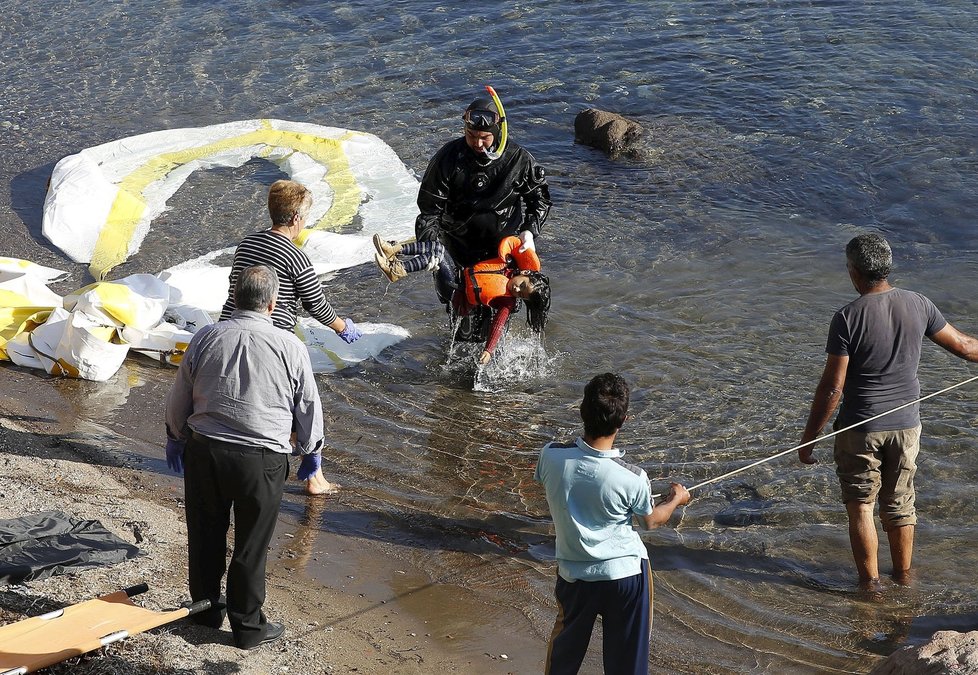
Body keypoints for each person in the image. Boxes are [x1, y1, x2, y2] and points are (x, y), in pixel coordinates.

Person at [798, 234, 978, 588]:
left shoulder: (847, 317)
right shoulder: (919, 304)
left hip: (860, 429)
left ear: (854, 271)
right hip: (907, 426)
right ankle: (904, 579)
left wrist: (809, 439)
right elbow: (967, 347)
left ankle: (870, 588)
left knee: (861, 504)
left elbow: (833, 388)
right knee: (900, 503)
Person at [164, 265, 326, 649]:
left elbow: (179, 397)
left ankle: (205, 611)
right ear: (272, 304)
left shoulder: (206, 337)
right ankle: (248, 626)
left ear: (234, 298)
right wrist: (311, 451)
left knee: (205, 533)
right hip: (262, 460)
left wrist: (175, 436)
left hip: (207, 452)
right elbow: (308, 406)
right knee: (251, 543)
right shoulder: (291, 346)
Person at [535, 373, 691, 674]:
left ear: (582, 411)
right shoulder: (633, 477)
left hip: (573, 576)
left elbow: (567, 478)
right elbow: (650, 522)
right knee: (627, 665)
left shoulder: (550, 456)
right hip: (626, 577)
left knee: (562, 660)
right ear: (624, 420)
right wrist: (675, 499)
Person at [414, 92, 552, 308]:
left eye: (484, 137)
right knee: (458, 306)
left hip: (502, 253)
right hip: (458, 248)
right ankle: (455, 340)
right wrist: (432, 248)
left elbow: (539, 200)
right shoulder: (449, 158)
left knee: (497, 304)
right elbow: (429, 211)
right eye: (471, 135)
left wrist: (529, 232)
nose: (477, 143)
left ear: (497, 133)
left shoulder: (518, 160)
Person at [220, 179, 362, 342]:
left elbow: (233, 284)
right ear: (296, 218)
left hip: (229, 327)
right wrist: (343, 328)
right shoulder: (296, 258)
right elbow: (315, 305)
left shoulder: (246, 243)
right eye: (306, 216)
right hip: (272, 337)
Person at [374, 234, 550, 364]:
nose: (516, 289)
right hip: (458, 278)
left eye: (520, 294)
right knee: (437, 247)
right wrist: (527, 234)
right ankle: (395, 249)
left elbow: (498, 324)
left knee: (437, 256)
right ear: (525, 273)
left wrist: (489, 350)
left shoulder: (507, 302)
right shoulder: (509, 265)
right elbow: (517, 242)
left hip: (456, 293)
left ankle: (397, 270)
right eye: (522, 285)